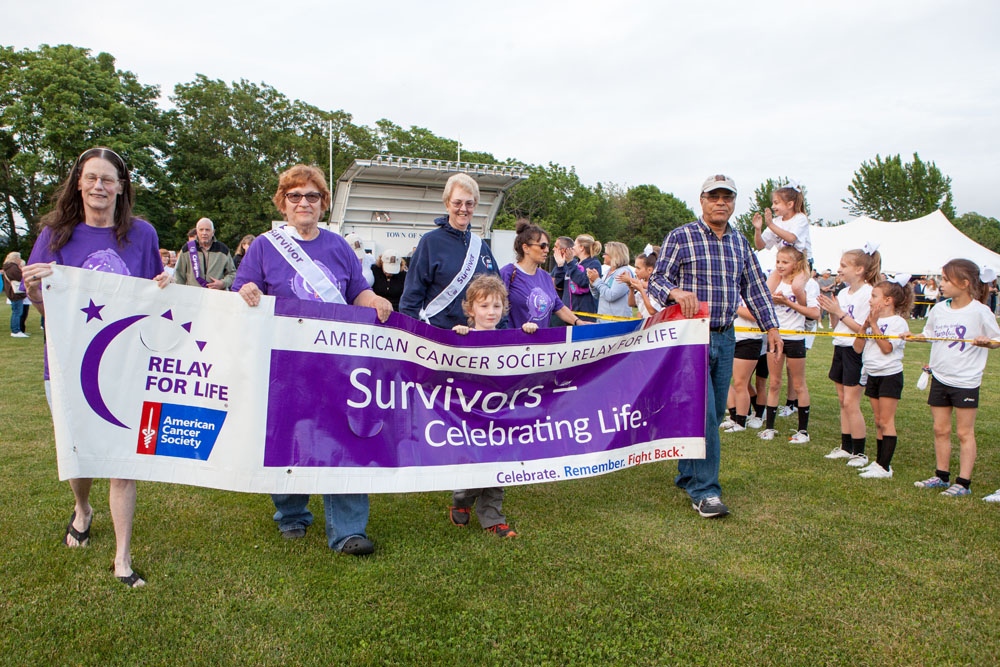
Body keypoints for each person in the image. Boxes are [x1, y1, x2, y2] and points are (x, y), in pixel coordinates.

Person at [21, 146, 170, 588]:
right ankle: (83, 508)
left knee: (124, 459)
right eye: (91, 178)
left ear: (121, 187)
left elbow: (153, 297)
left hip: (127, 363)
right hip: (69, 365)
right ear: (78, 183)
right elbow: (45, 305)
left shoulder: (142, 234)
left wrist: (166, 283)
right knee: (79, 452)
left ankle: (123, 557)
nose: (99, 186)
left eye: (108, 179)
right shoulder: (55, 234)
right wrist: (35, 291)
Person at [233, 164, 392, 555]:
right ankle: (291, 513)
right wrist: (247, 291)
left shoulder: (338, 247)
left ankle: (348, 530)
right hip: (285, 362)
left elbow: (357, 292)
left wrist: (374, 300)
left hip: (338, 362)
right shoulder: (264, 246)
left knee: (346, 438)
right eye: (295, 196)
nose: (303, 202)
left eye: (312, 196)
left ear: (323, 203)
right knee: (288, 437)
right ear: (283, 203)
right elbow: (241, 290)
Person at [647, 174, 781, 518]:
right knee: (705, 414)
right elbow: (657, 280)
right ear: (702, 200)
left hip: (725, 335)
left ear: (733, 202)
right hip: (691, 336)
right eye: (714, 196)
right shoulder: (681, 236)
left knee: (716, 411)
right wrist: (675, 292)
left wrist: (771, 327)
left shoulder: (740, 243)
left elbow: (755, 288)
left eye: (727, 197)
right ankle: (705, 491)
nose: (721, 202)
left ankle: (688, 472)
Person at [449, 274, 539, 538]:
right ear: (470, 309)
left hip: (501, 414)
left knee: (499, 465)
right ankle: (462, 500)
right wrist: (459, 337)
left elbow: (528, 357)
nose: (491, 312)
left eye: (497, 306)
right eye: (484, 306)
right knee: (474, 464)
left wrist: (528, 334)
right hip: (470, 415)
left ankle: (493, 517)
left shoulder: (509, 338)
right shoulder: (464, 337)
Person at [902, 260, 1000, 498]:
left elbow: (997, 339)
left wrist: (987, 342)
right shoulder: (938, 309)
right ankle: (942, 476)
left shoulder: (980, 311)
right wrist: (916, 336)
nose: (941, 284)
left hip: (966, 381)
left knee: (964, 433)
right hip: (940, 377)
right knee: (940, 429)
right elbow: (931, 334)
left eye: (946, 279)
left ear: (964, 283)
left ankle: (963, 483)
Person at [399, 173, 501, 328]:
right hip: (439, 335)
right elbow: (411, 298)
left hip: (476, 337)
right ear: (447, 204)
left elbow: (499, 294)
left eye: (469, 203)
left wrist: (501, 334)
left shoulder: (482, 247)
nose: (463, 209)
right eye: (457, 203)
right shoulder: (430, 242)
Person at [817, 246, 881, 466]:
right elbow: (838, 325)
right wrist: (831, 311)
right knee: (843, 402)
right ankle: (846, 447)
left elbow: (862, 329)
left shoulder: (868, 293)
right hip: (840, 347)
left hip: (855, 351)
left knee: (852, 403)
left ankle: (859, 452)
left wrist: (839, 312)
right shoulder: (844, 293)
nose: (839, 270)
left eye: (844, 266)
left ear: (860, 269)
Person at [852, 276, 913, 479]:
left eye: (874, 296)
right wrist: (864, 327)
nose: (870, 300)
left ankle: (885, 467)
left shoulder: (898, 323)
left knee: (886, 421)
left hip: (890, 375)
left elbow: (887, 348)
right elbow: (857, 348)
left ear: (888, 300)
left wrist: (875, 325)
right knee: (878, 421)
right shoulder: (871, 320)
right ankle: (879, 462)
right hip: (873, 373)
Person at [759, 246, 819, 444]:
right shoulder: (775, 280)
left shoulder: (807, 284)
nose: (780, 265)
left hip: (795, 337)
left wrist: (787, 302)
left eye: (785, 262)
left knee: (799, 383)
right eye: (778, 261)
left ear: (796, 264)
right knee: (774, 383)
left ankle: (803, 431)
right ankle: (769, 428)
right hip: (776, 336)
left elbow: (814, 313)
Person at [499, 221, 582, 329]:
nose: (547, 250)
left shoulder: (545, 276)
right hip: (515, 338)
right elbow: (495, 310)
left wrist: (578, 322)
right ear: (526, 248)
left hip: (542, 339)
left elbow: (558, 305)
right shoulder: (507, 273)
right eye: (542, 246)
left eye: (547, 246)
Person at [753, 182, 812, 306]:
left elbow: (791, 238)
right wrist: (758, 230)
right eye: (773, 203)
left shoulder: (800, 218)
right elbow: (760, 246)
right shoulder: (776, 222)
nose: (773, 206)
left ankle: (806, 312)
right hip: (784, 263)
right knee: (766, 291)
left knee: (796, 287)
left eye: (776, 203)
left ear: (790, 204)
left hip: (801, 263)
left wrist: (770, 225)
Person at [173, 218, 236, 289]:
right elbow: (178, 274)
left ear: (213, 232)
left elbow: (232, 273)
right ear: (197, 231)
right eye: (201, 230)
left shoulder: (223, 249)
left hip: (216, 293)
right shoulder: (187, 249)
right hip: (193, 293)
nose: (204, 233)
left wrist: (223, 283)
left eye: (207, 230)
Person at [551, 234, 602, 319]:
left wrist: (570, 263)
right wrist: (560, 266)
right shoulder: (574, 263)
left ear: (581, 247)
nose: (572, 247)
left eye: (574, 245)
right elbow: (560, 285)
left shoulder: (593, 263)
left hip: (584, 314)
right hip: (569, 314)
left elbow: (583, 282)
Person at [588, 241, 634, 318]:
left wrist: (597, 280)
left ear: (614, 255)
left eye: (605, 254)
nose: (603, 256)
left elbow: (611, 296)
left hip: (617, 320)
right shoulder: (607, 272)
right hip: (603, 319)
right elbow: (598, 295)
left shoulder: (624, 272)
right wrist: (592, 283)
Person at [619, 253, 660, 319]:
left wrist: (630, 280)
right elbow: (631, 304)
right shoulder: (641, 284)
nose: (635, 271)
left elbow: (652, 311)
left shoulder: (656, 285)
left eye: (638, 268)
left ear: (649, 270)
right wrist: (631, 289)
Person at [3, 252, 30, 337]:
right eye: (19, 258)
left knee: (17, 312)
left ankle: (17, 330)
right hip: (15, 293)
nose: (20, 260)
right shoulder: (12, 267)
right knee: (17, 312)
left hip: (12, 292)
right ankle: (15, 331)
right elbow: (20, 277)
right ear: (15, 258)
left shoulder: (8, 267)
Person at [550, 236, 575, 306]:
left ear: (563, 250)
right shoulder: (558, 265)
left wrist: (560, 266)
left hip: (563, 307)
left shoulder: (571, 266)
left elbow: (559, 285)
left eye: (556, 247)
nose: (553, 249)